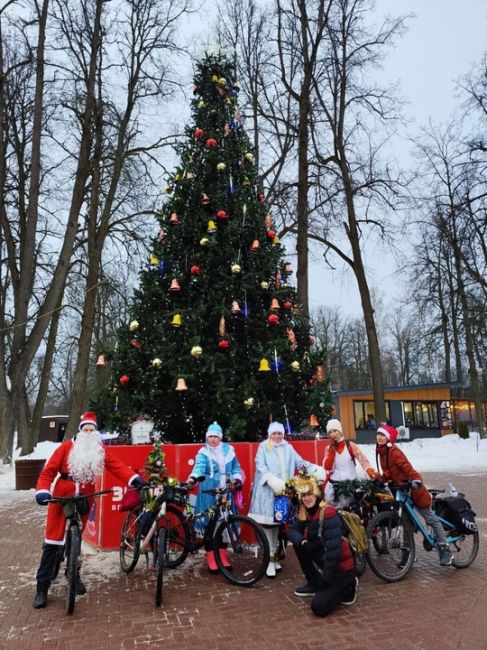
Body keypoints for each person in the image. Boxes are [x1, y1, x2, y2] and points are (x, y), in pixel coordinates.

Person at [33, 411, 146, 609]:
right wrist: (42, 491)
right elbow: (49, 471)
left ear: (96, 432)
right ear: (80, 430)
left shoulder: (98, 449)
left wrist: (132, 479)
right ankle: (42, 587)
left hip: (86, 495)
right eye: (85, 429)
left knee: (75, 540)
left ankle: (73, 575)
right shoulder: (67, 447)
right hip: (62, 495)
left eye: (91, 429)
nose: (88, 432)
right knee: (53, 539)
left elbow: (116, 466)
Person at [248, 421, 325, 578]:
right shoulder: (264, 447)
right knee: (268, 527)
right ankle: (269, 561)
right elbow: (260, 467)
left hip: (284, 494)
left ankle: (275, 558)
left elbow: (300, 463)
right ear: (270, 434)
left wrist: (314, 470)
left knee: (277, 526)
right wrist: (272, 480)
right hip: (267, 494)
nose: (277, 436)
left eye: (279, 434)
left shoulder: (288, 447)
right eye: (274, 434)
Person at [375, 423, 453, 567]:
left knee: (430, 519)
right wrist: (380, 479)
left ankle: (445, 548)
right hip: (401, 491)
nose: (379, 437)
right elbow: (390, 472)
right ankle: (408, 553)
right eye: (378, 434)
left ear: (389, 438)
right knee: (405, 522)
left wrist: (416, 479)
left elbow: (406, 467)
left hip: (414, 489)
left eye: (383, 435)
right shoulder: (381, 452)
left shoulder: (394, 452)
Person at [287, 474, 357, 617]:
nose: (307, 498)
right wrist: (303, 541)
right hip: (326, 561)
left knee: (318, 607)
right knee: (299, 544)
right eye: (304, 495)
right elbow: (292, 531)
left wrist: (325, 580)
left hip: (342, 568)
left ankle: (349, 587)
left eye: (310, 494)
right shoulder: (305, 512)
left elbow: (333, 552)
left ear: (316, 493)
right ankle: (313, 583)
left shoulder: (328, 513)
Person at [187, 422, 243, 573]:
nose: (212, 439)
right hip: (209, 491)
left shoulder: (229, 450)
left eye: (215, 436)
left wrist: (237, 479)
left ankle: (223, 556)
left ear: (220, 437)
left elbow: (236, 468)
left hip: (226, 491)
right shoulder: (203, 452)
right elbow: (199, 467)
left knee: (225, 524)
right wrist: (193, 478)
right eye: (210, 436)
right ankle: (211, 557)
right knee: (210, 525)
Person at [322, 418, 378, 507]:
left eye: (335, 431)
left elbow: (363, 461)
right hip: (335, 485)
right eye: (330, 432)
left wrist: (370, 471)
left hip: (350, 484)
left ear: (340, 431)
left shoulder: (351, 446)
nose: (333, 434)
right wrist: (331, 452)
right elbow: (327, 467)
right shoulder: (328, 449)